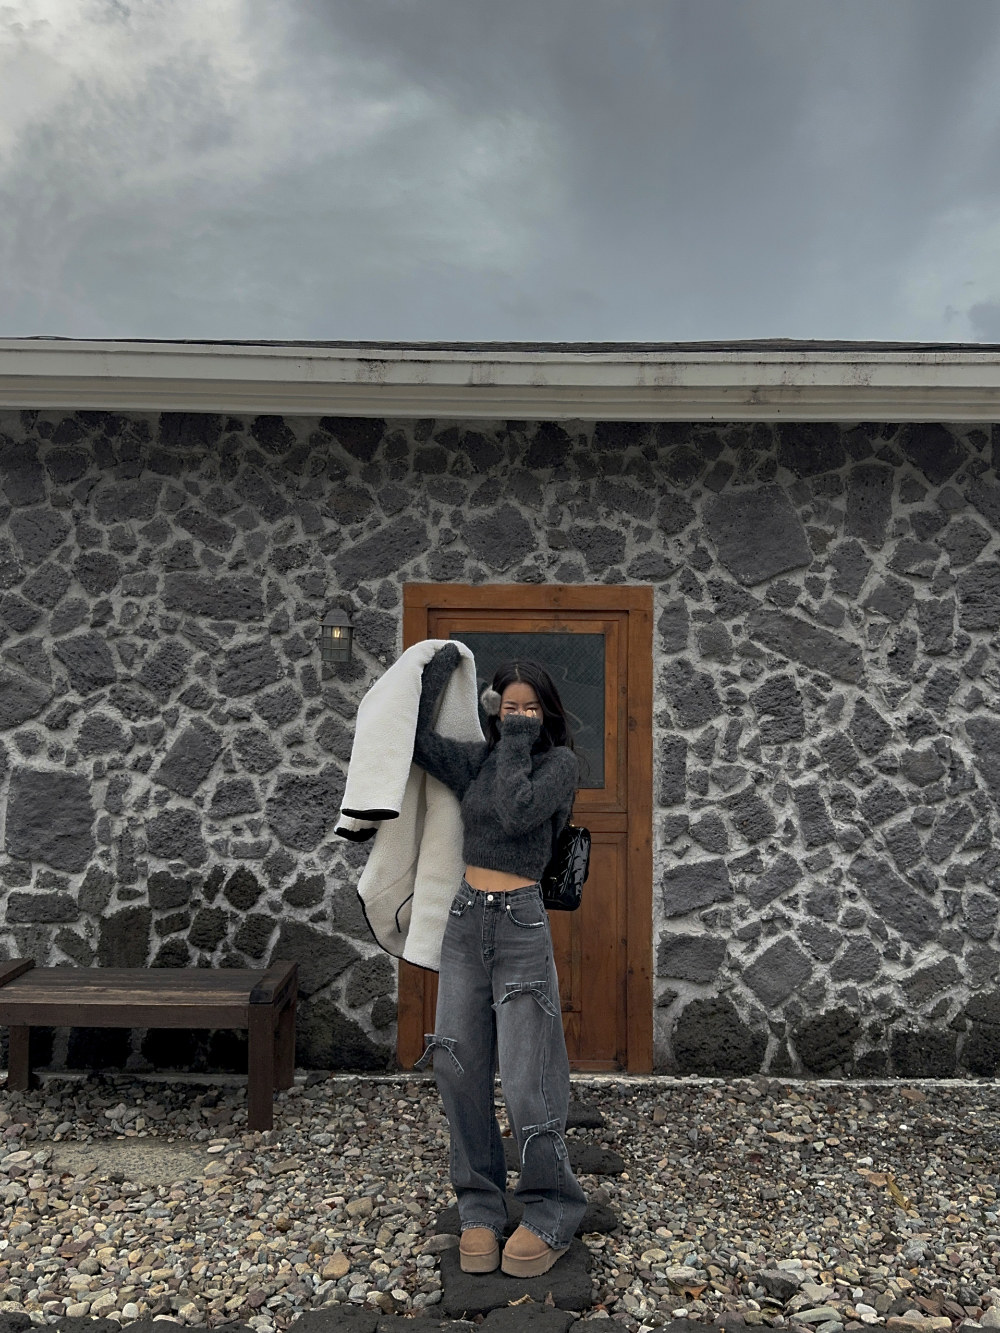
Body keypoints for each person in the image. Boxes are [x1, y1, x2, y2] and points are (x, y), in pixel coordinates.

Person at [412, 643, 588, 1277]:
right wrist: (437, 671)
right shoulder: (481, 761)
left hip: (521, 926)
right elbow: (416, 744)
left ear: (546, 714)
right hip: (465, 922)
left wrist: (514, 740)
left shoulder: (559, 765)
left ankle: (551, 1207)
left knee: (525, 1080)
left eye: (530, 709)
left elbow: (517, 813)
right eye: (509, 708)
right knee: (457, 1069)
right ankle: (480, 1205)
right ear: (492, 708)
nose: (519, 718)